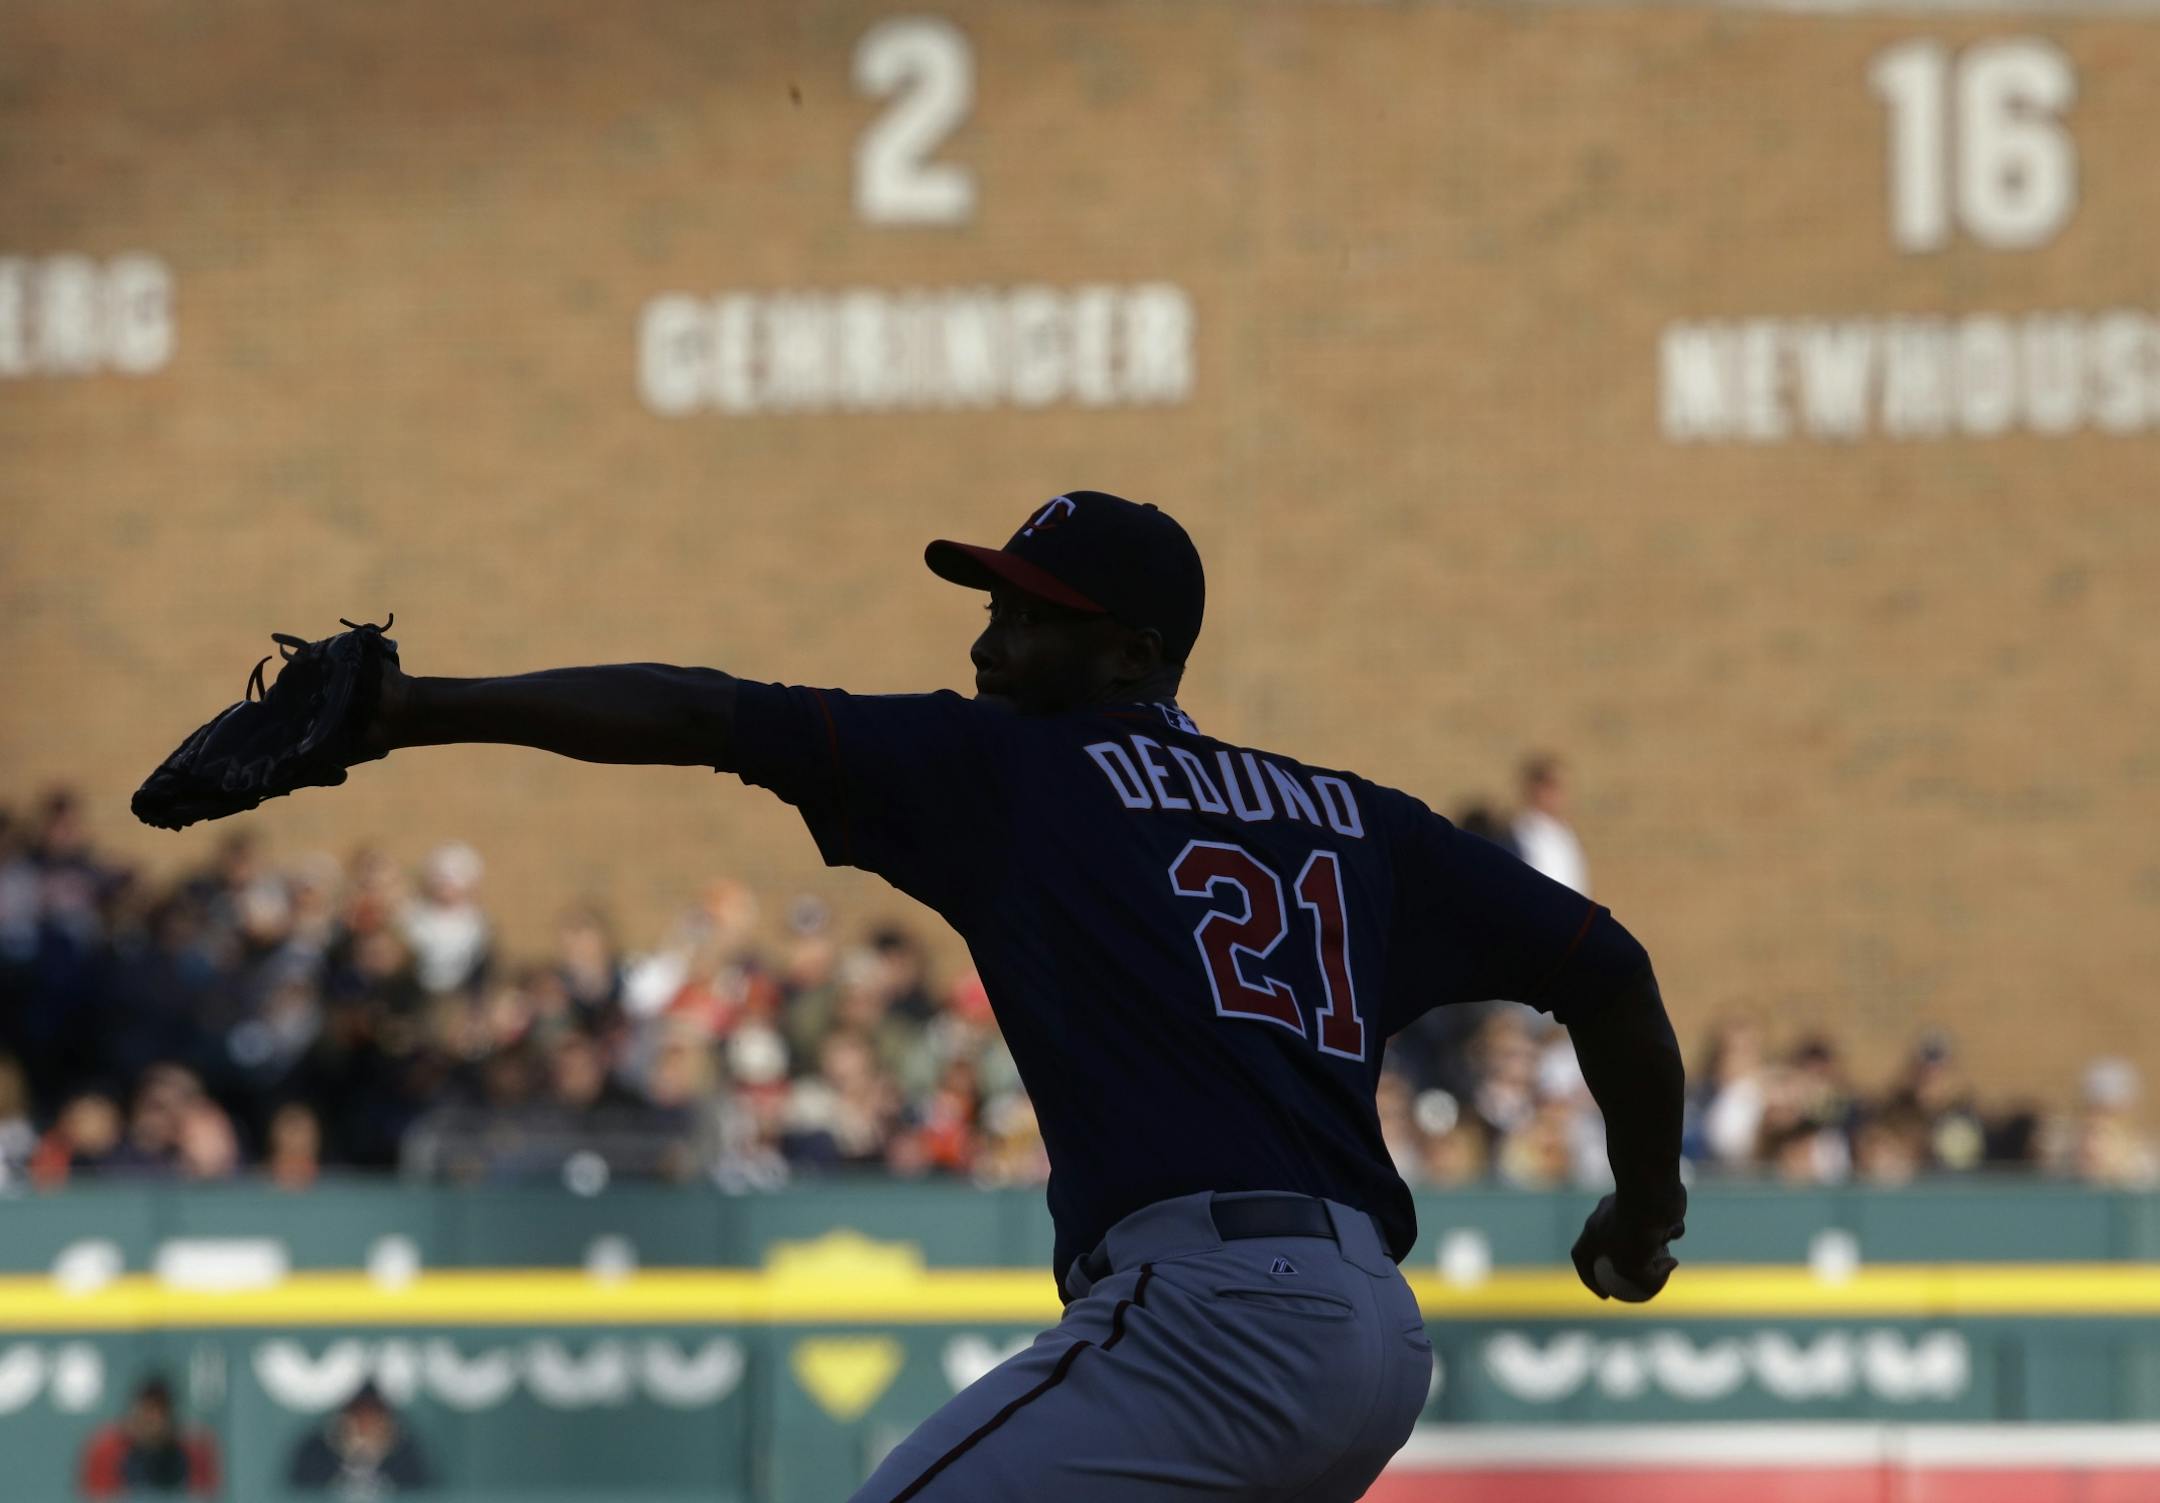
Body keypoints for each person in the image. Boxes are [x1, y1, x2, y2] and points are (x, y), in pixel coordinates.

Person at [207, 490, 1693, 1501]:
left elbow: (699, 711)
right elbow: (1608, 970)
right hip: (1375, 1332)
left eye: (1030, 617)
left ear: (1131, 651)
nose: (989, 641)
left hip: (1214, 1315)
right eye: (993, 603)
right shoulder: (1356, 818)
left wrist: (414, 710)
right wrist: (1644, 1208)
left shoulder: (1019, 770)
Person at [77, 1374, 221, 1498]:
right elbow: (97, 1496)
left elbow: (205, 1495)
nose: (154, 1424)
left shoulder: (194, 1451)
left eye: (159, 1416)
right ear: (135, 1414)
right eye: (147, 1416)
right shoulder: (106, 1450)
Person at [286, 1381, 432, 1496]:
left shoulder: (409, 1462)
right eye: (359, 1423)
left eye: (374, 1424)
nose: (365, 1432)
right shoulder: (315, 1457)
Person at [1510, 752, 1590, 896]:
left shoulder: (1564, 833)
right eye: (1551, 786)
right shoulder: (1520, 834)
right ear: (1535, 788)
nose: (1558, 794)